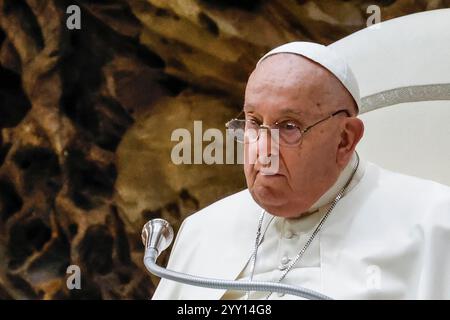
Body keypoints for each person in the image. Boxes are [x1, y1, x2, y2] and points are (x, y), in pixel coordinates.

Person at [152, 42, 450, 300]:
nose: (263, 150)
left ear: (345, 139)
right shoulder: (204, 230)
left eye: (288, 127)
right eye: (254, 123)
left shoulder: (432, 222)